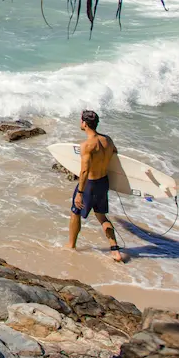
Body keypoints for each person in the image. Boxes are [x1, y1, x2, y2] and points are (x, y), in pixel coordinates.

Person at [67, 110, 125, 263]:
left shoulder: (87, 145)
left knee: (75, 212)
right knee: (101, 215)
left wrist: (80, 192)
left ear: (85, 124)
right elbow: (115, 155)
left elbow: (84, 170)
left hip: (89, 185)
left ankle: (71, 246)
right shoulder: (108, 140)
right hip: (103, 182)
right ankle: (115, 250)